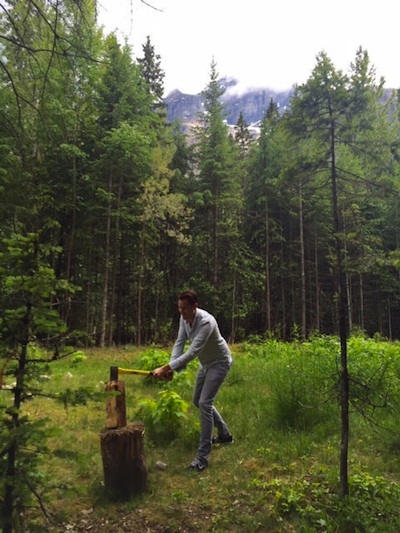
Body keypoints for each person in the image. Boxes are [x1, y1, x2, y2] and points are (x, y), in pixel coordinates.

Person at [153, 290, 233, 472]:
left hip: (219, 362)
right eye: (179, 309)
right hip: (205, 364)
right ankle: (225, 434)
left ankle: (202, 458)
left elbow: (192, 352)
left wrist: (167, 368)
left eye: (185, 309)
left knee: (205, 403)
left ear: (195, 306)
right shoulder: (184, 319)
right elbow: (179, 343)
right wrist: (173, 368)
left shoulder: (206, 322)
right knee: (198, 400)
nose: (182, 313)